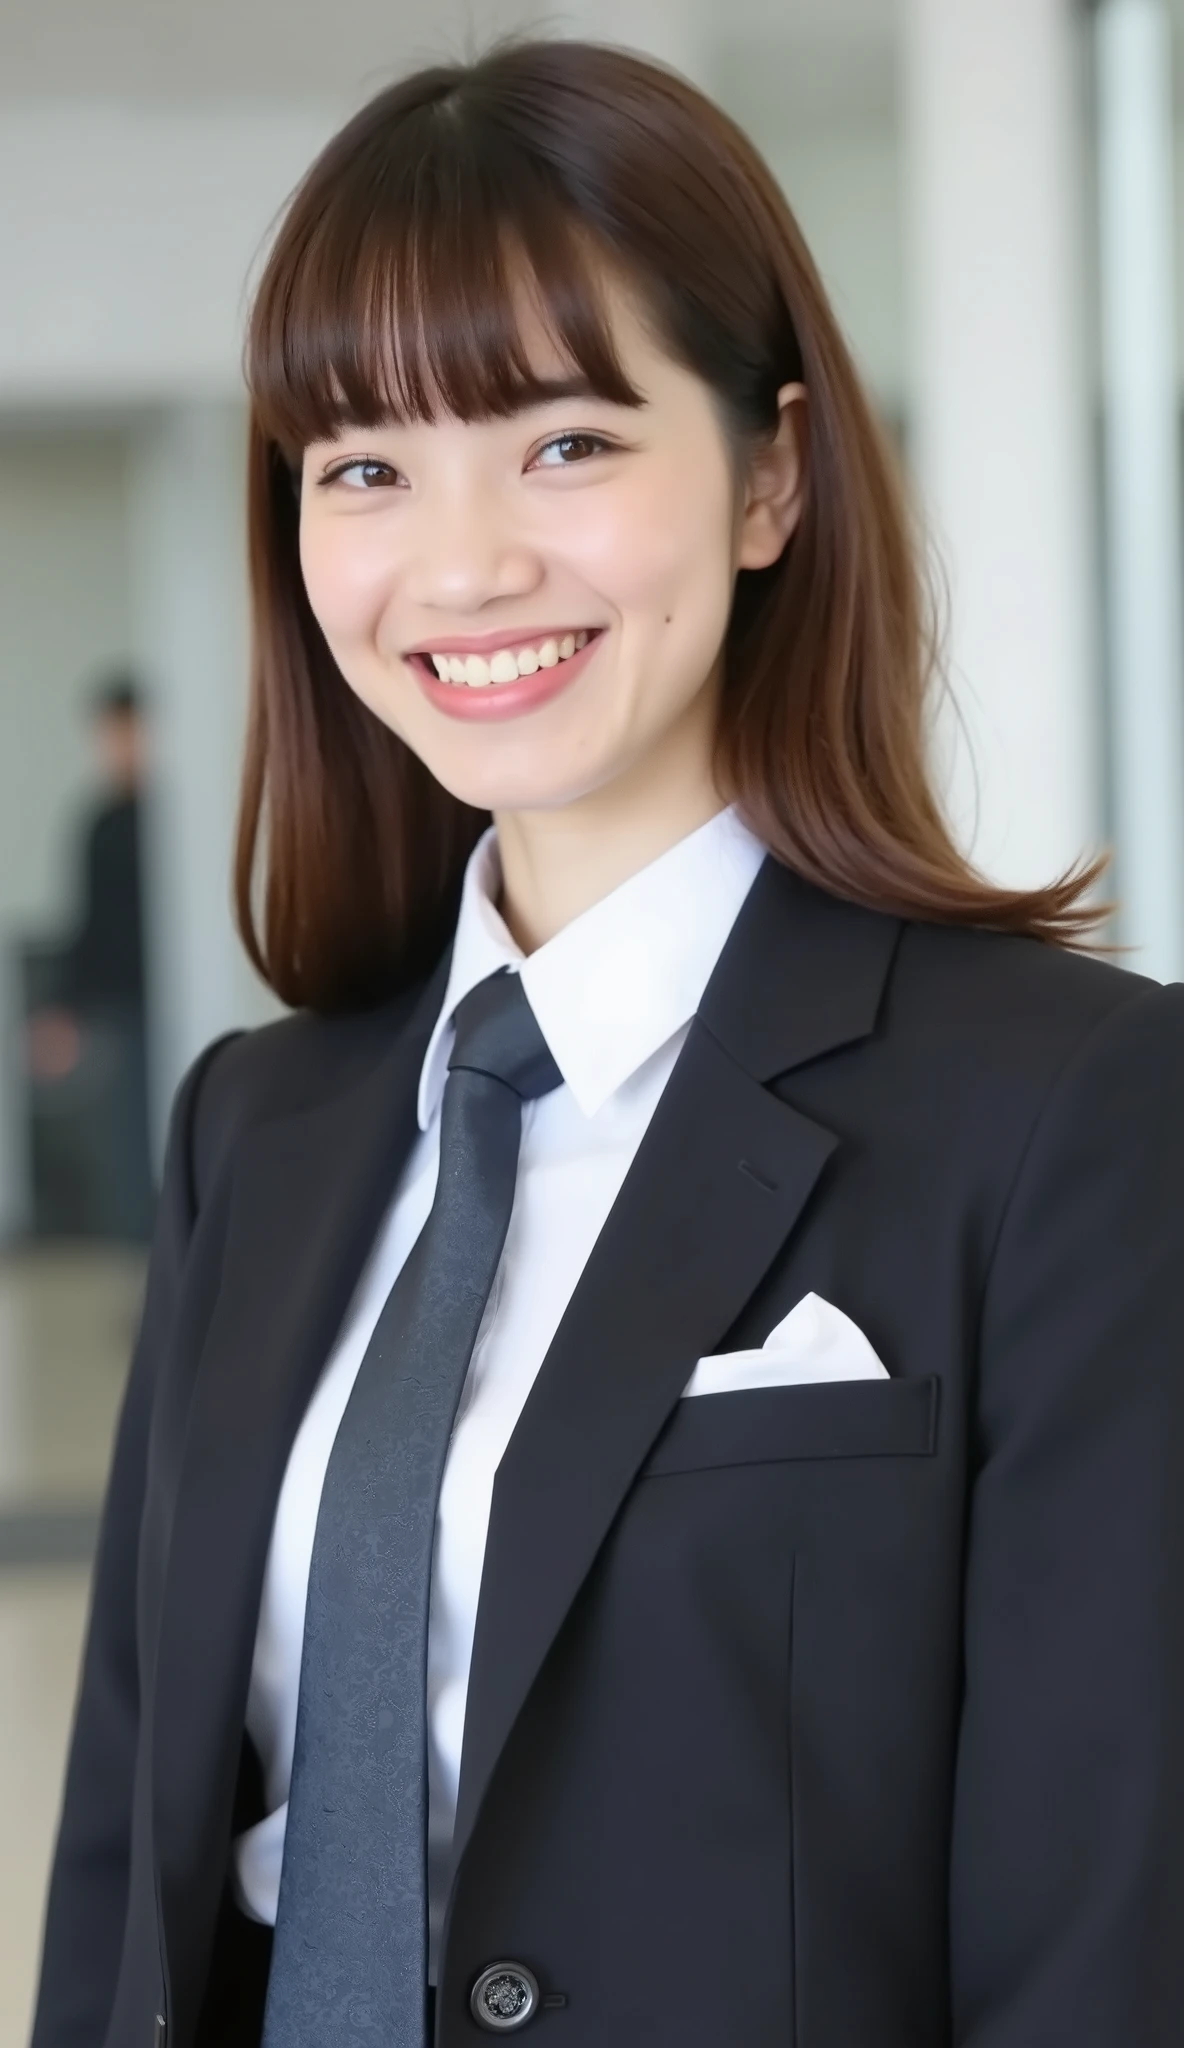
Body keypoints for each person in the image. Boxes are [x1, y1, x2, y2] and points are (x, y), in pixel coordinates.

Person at [29, 36, 1184, 2048]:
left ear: (769, 474)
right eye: (365, 468)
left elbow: (1103, 1933)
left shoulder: (1066, 1112)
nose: (463, 564)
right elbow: (133, 1856)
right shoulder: (264, 1123)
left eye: (564, 443)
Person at [24, 674, 154, 1241]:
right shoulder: (102, 823)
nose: (121, 748)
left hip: (178, 1005)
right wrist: (57, 1010)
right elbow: (90, 923)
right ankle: (147, 1284)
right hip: (121, 1008)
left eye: (131, 733)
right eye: (112, 735)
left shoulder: (184, 818)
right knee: (127, 1146)